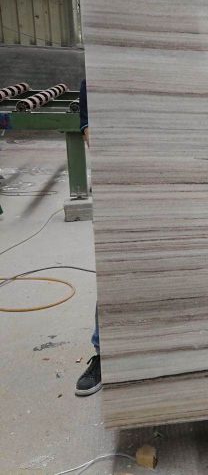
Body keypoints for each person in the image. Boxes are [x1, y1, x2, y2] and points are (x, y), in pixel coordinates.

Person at [75, 79, 102, 396]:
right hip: (124, 176)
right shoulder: (101, 67)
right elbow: (90, 130)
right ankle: (105, 353)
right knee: (116, 269)